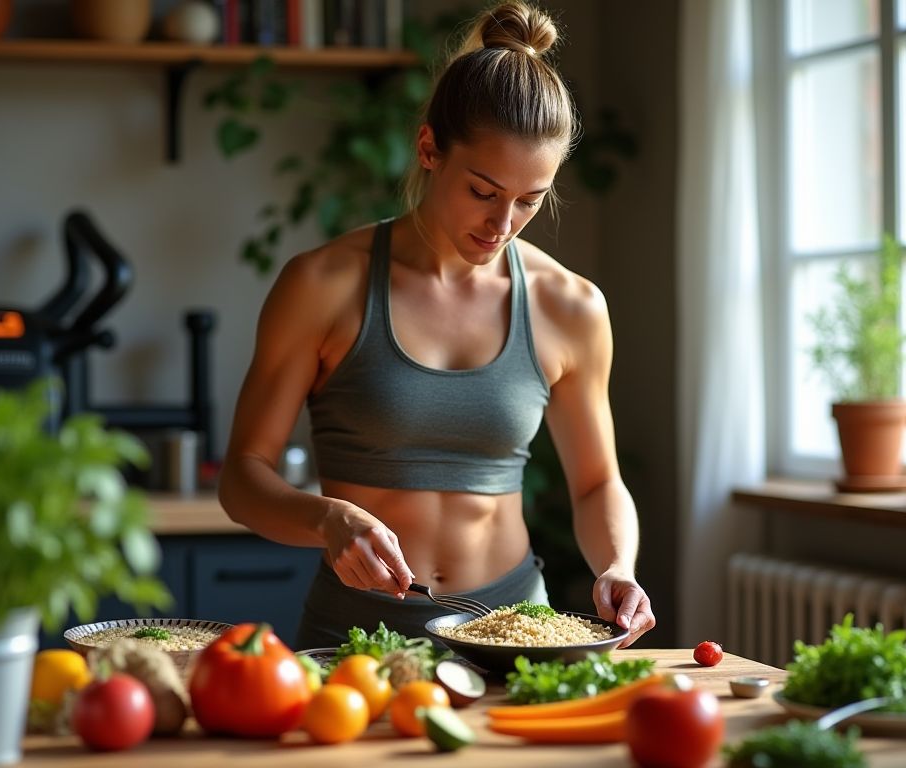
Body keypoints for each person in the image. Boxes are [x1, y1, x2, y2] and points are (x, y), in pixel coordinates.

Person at [219, 0, 656, 651]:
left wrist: (617, 566)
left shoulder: (571, 306)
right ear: (429, 149)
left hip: (515, 638)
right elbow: (243, 477)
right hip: (356, 641)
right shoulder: (322, 286)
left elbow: (596, 484)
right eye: (483, 191)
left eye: (530, 201)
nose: (501, 223)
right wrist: (325, 518)